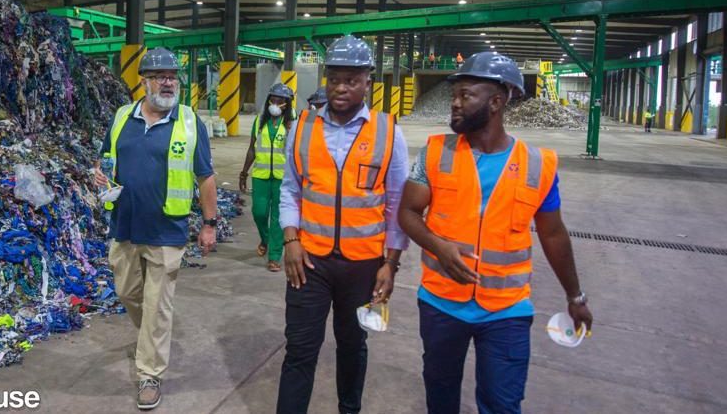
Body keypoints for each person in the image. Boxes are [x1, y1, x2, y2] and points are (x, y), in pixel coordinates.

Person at [398, 51, 593, 414]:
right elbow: (408, 213)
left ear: (497, 102)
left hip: (507, 311)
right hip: (442, 304)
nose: (454, 103)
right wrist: (439, 246)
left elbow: (553, 235)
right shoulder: (435, 153)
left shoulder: (538, 165)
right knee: (440, 398)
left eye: (466, 95)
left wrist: (575, 297)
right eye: (454, 94)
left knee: (503, 404)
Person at [276, 34, 410, 414]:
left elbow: (397, 202)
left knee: (352, 346)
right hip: (309, 263)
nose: (340, 87)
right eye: (334, 78)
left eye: (351, 80)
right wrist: (290, 240)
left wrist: (390, 264)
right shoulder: (302, 127)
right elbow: (291, 190)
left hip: (363, 266)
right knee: (300, 349)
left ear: (368, 81)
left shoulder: (388, 131)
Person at [93, 47, 219, 410]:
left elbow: (205, 176)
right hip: (125, 226)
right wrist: (100, 176)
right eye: (160, 76)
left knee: (157, 305)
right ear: (143, 81)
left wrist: (209, 224)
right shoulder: (121, 117)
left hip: (167, 231)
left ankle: (150, 373)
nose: (168, 81)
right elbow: (105, 160)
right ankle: (148, 339)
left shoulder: (190, 121)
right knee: (127, 292)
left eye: (172, 76)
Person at [240, 82, 296, 272]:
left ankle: (274, 256)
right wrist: (243, 172)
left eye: (280, 100)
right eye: (273, 98)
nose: (276, 102)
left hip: (283, 178)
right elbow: (251, 148)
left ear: (287, 103)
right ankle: (265, 239)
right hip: (261, 176)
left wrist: (291, 131)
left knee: (278, 218)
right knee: (259, 213)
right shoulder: (259, 121)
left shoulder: (294, 123)